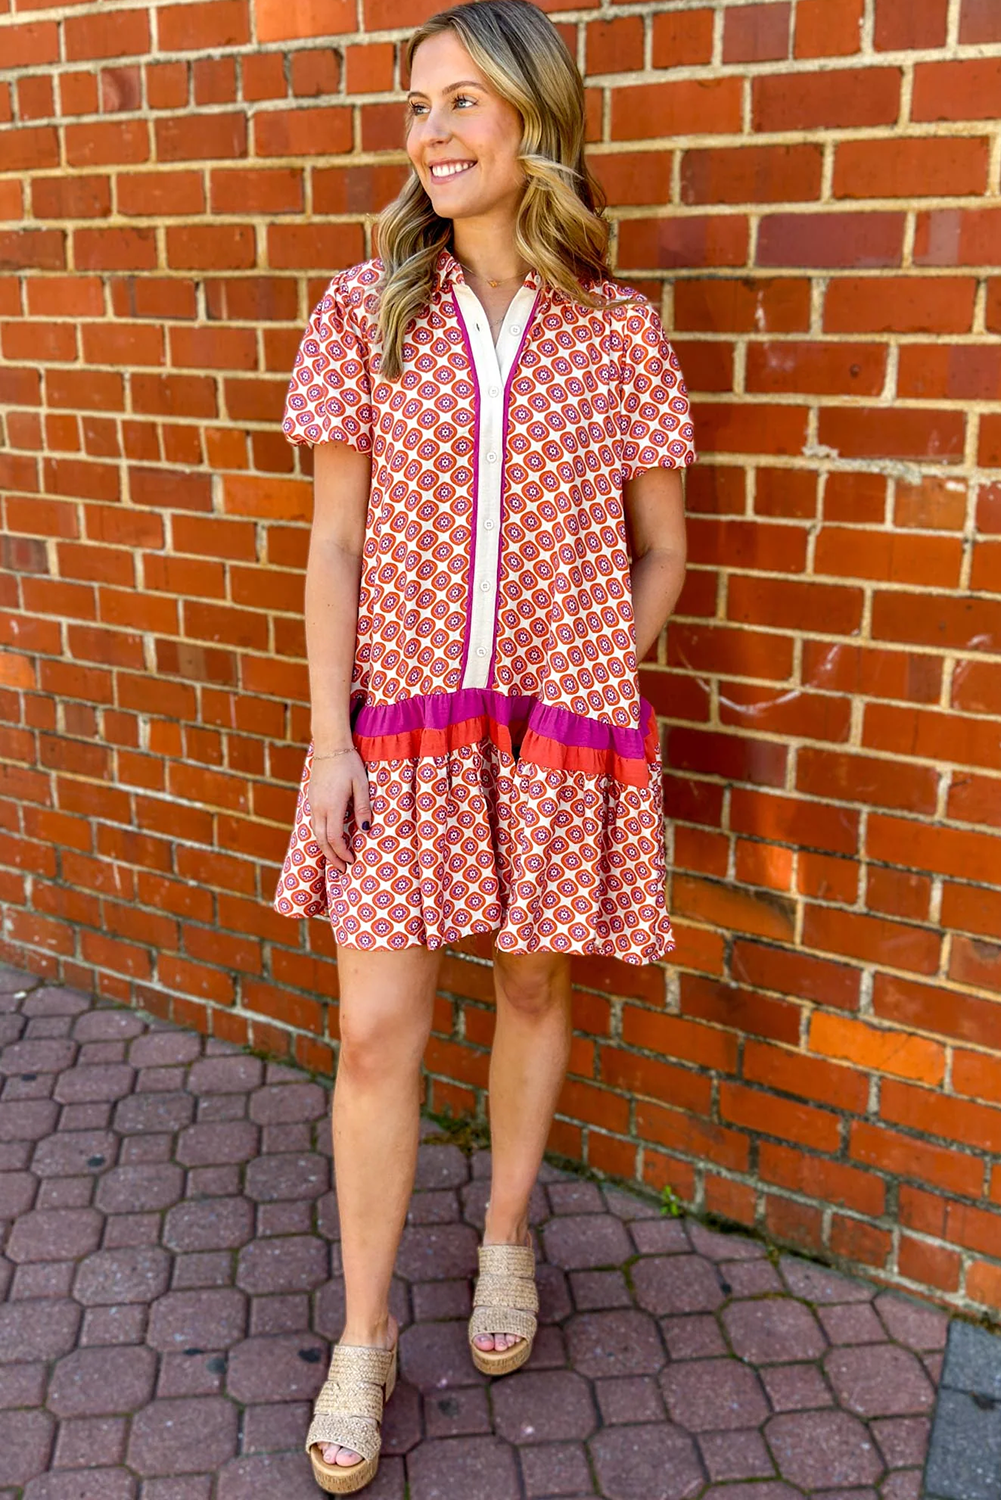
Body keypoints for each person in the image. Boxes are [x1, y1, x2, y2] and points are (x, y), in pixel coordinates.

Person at [272, 0, 695, 1489]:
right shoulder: (364, 310)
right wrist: (331, 743)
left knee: (528, 980)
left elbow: (663, 553)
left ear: (534, 123)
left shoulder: (618, 331)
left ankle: (506, 1232)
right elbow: (331, 548)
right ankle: (366, 1333)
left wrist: (601, 666)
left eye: (462, 102)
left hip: (556, 739)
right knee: (376, 1033)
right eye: (416, 107)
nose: (433, 133)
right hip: (398, 736)